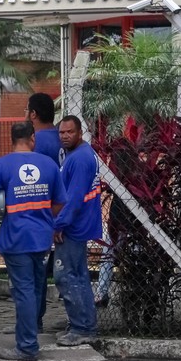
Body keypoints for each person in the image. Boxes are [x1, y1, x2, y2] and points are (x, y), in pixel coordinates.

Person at [0, 122, 65, 361]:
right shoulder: (48, 164)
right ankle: (30, 336)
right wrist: (45, 217)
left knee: (24, 291)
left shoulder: (1, 165)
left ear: (11, 139)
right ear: (32, 139)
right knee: (35, 289)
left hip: (16, 238)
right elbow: (59, 201)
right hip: (42, 238)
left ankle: (26, 346)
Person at [52, 114, 102, 346]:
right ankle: (84, 325)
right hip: (78, 223)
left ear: (79, 133)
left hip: (74, 226)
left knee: (65, 276)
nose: (64, 136)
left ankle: (82, 328)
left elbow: (73, 198)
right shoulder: (77, 154)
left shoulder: (80, 158)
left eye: (69, 132)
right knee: (79, 276)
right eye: (61, 132)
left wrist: (60, 224)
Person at [26, 92, 60, 330]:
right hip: (61, 211)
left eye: (27, 110)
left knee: (33, 272)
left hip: (39, 215)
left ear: (33, 114)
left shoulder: (35, 142)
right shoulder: (64, 137)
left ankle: (32, 320)